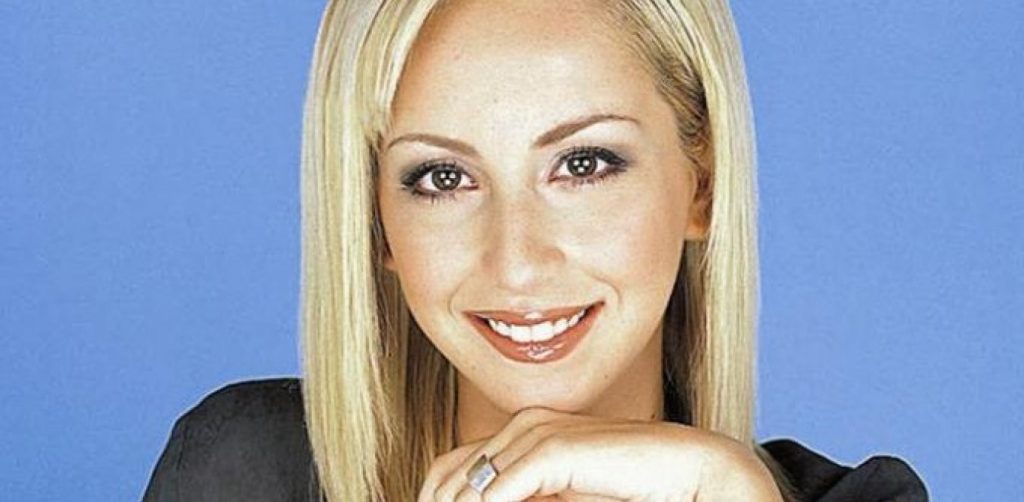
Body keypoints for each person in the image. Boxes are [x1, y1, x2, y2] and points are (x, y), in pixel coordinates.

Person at [143, 0, 929, 500]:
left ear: (702, 186)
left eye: (583, 164)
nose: (516, 263)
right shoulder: (248, 471)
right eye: (443, 177)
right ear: (376, 221)